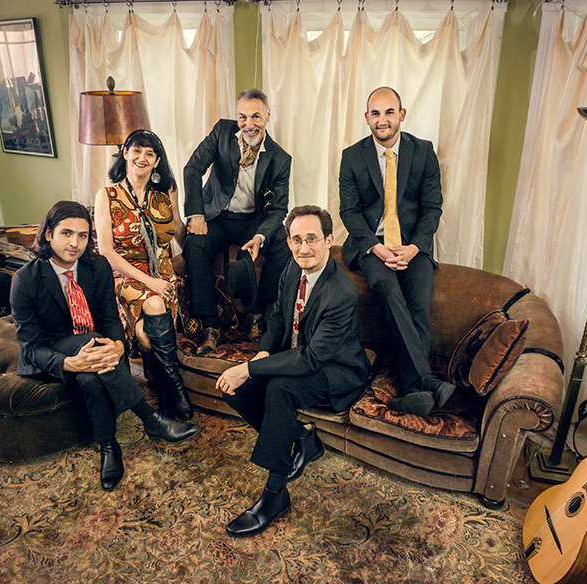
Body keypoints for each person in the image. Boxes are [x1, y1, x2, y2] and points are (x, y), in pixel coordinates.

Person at [10, 201, 200, 492]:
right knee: (89, 344)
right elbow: (31, 347)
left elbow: (111, 318)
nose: (75, 243)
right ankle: (151, 419)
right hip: (53, 354)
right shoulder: (25, 280)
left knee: (90, 375)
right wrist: (70, 362)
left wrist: (118, 347)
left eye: (83, 235)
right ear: (48, 234)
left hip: (98, 350)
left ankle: (109, 448)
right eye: (66, 233)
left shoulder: (96, 266)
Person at [217, 205, 370, 538]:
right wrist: (262, 352)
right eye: (297, 240)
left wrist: (250, 367)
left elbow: (313, 358)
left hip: (338, 369)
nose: (304, 248)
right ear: (288, 242)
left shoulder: (341, 292)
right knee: (234, 388)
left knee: (278, 389)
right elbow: (277, 320)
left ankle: (275, 496)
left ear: (329, 240)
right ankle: (303, 438)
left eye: (312, 239)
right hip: (297, 356)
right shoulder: (292, 269)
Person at [338, 86, 455, 418]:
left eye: (389, 112)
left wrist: (414, 247)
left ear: (401, 114)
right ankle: (425, 380)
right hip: (371, 246)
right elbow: (350, 212)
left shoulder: (423, 152)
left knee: (419, 299)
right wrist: (377, 248)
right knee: (387, 287)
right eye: (375, 113)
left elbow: (432, 207)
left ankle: (411, 390)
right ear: (367, 118)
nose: (382, 120)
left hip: (413, 246)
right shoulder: (352, 156)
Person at [93, 129, 194, 422]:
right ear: (125, 153)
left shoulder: (165, 194)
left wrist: (198, 257)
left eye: (150, 153)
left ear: (157, 160)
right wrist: (150, 282)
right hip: (126, 276)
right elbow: (107, 252)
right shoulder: (107, 196)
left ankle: (162, 391)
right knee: (154, 304)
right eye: (137, 150)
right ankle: (177, 390)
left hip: (163, 276)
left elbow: (178, 231)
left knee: (146, 335)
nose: (142, 158)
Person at [183, 88, 293, 355]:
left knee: (283, 244)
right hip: (217, 216)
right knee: (193, 246)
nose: (248, 124)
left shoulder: (280, 158)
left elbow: (279, 209)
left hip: (252, 221)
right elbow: (193, 168)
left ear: (268, 115)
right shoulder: (222, 132)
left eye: (256, 116)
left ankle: (258, 312)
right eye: (242, 117)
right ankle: (210, 326)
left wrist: (260, 236)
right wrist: (196, 214)